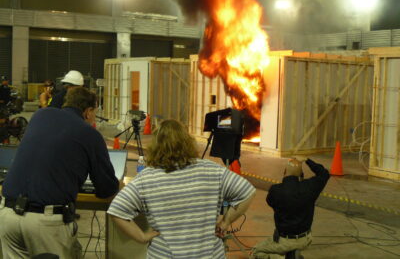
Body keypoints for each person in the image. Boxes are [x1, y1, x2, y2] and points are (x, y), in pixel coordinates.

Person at [107, 119, 256, 259]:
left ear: (156, 146)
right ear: (188, 142)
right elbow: (247, 192)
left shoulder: (146, 178)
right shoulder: (212, 170)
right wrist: (225, 221)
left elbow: (117, 210)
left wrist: (142, 237)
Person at [0, 87, 120, 258]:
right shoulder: (89, 134)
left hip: (7, 215)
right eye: (94, 113)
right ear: (88, 112)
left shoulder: (40, 116)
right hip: (44, 223)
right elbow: (106, 189)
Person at [250, 158, 330, 259]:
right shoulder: (310, 186)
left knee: (256, 252)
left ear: (284, 172)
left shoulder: (275, 190)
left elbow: (270, 202)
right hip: (306, 239)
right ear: (301, 175)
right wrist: (307, 160)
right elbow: (324, 174)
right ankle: (293, 253)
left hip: (285, 241)